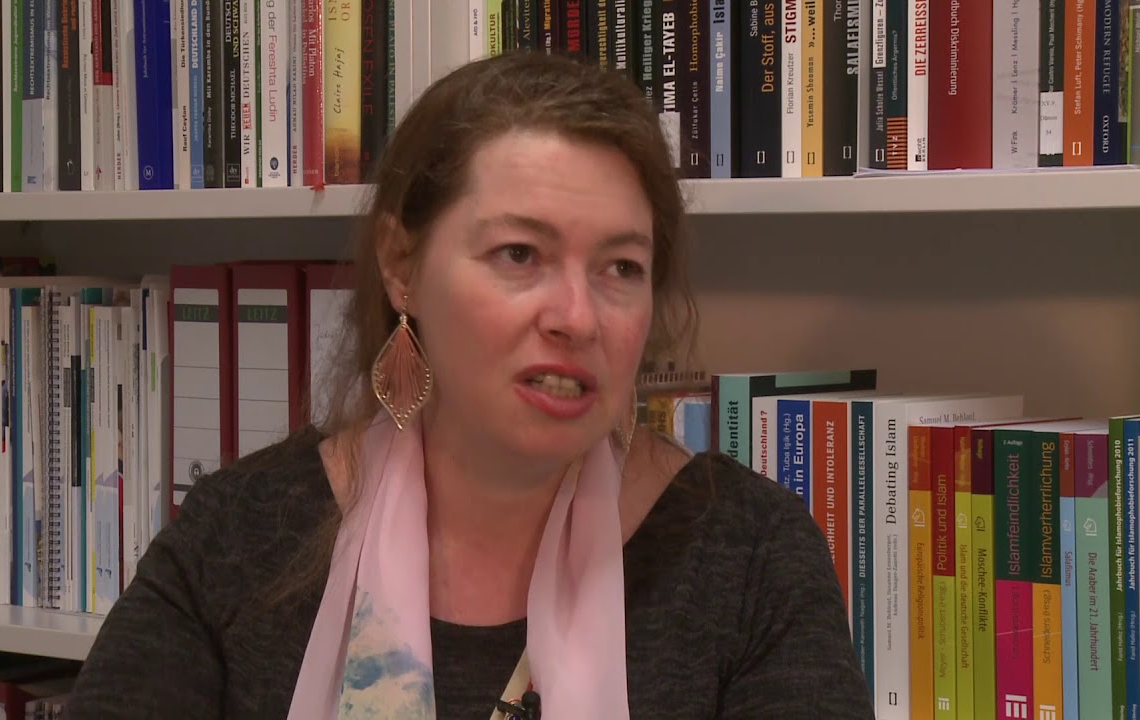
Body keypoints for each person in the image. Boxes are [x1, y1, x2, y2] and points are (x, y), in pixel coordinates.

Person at [63, 50, 873, 719]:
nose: (577, 316)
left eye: (621, 268)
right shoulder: (239, 537)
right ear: (402, 266)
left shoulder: (751, 554)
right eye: (519, 254)